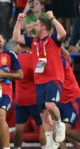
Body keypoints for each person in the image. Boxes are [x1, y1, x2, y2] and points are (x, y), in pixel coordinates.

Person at [13, 11, 67, 149]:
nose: (33, 27)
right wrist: (19, 21)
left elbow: (63, 34)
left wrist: (52, 18)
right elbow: (16, 38)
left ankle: (59, 123)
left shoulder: (53, 39)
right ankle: (50, 143)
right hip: (39, 81)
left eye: (36, 24)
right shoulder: (34, 42)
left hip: (53, 78)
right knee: (43, 114)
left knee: (50, 105)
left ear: (43, 27)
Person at [0, 31, 23, 149]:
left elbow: (20, 75)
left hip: (5, 92)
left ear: (3, 42)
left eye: (0, 41)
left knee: (0, 116)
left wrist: (5, 74)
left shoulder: (10, 55)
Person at [13, 43, 46, 149]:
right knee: (43, 126)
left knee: (19, 128)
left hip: (20, 99)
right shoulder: (34, 59)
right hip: (34, 99)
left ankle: (17, 148)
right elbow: (42, 76)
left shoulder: (16, 58)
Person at [58, 48, 80, 149]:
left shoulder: (65, 60)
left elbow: (68, 55)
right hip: (58, 101)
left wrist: (58, 45)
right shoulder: (46, 62)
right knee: (59, 135)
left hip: (72, 99)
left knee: (64, 131)